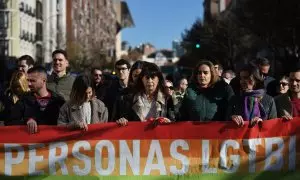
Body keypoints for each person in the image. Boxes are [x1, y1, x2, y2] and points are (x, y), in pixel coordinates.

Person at [7, 66, 65, 134]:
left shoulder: (58, 101)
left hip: (54, 142)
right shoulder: (23, 99)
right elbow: (10, 121)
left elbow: (66, 122)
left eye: (32, 81)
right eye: (28, 80)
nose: (29, 84)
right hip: (31, 142)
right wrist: (27, 121)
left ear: (44, 81)